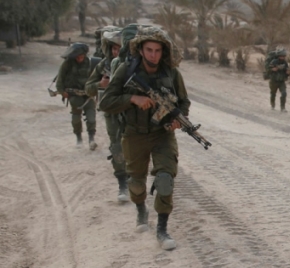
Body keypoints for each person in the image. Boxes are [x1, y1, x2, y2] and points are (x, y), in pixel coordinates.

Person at [100, 26, 190, 250]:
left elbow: (183, 102)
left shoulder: (171, 73)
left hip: (162, 135)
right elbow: (105, 102)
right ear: (140, 50)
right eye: (149, 50)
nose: (153, 55)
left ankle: (162, 229)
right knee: (137, 184)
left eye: (158, 50)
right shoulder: (124, 70)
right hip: (134, 135)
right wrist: (132, 98)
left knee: (165, 179)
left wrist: (177, 119)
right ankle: (141, 209)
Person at [85, 29, 129, 202]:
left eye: (120, 48)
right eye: (114, 48)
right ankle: (123, 183)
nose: (116, 52)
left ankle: (134, 179)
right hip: (112, 114)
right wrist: (100, 83)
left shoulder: (133, 64)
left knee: (135, 148)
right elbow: (87, 88)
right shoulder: (103, 65)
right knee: (117, 148)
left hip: (132, 112)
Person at [56, 42, 97, 149]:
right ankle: (79, 138)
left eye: (81, 56)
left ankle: (91, 139)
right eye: (77, 57)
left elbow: (97, 78)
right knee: (76, 119)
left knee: (91, 118)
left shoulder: (91, 63)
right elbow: (60, 80)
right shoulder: (67, 64)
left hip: (88, 95)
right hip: (74, 96)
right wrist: (62, 92)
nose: (80, 59)